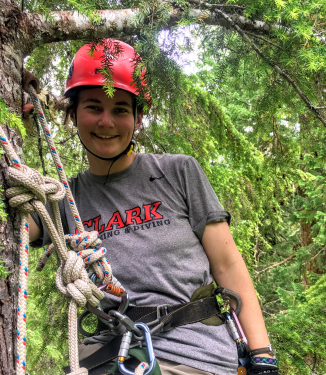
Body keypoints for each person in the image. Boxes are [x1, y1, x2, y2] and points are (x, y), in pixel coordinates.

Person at [28, 39, 278, 375]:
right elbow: (14, 226)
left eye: (120, 109)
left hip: (194, 354)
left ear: (138, 118)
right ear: (73, 114)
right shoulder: (64, 199)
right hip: (110, 354)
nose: (106, 122)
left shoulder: (177, 172)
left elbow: (228, 264)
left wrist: (262, 355)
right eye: (92, 107)